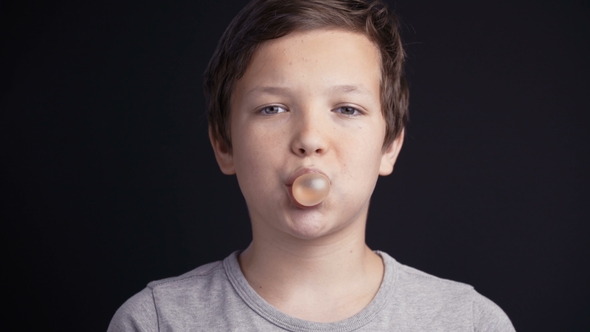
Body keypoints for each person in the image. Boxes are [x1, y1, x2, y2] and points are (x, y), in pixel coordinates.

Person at [107, 0, 515, 330]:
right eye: (272, 108)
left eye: (347, 108)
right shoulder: (156, 321)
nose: (310, 139)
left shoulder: (470, 322)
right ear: (223, 143)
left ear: (389, 145)